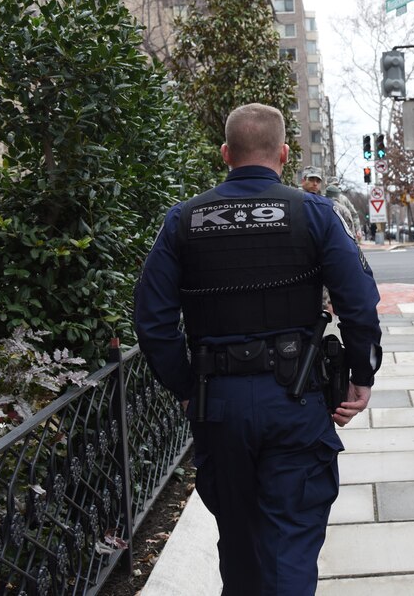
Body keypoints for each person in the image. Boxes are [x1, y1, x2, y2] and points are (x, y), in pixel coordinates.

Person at [134, 103, 382, 596]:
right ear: (285, 155)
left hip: (218, 405)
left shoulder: (183, 221)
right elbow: (358, 303)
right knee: (289, 542)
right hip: (295, 401)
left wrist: (186, 388)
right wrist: (362, 374)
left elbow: (152, 320)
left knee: (240, 546)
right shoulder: (314, 214)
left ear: (226, 154)